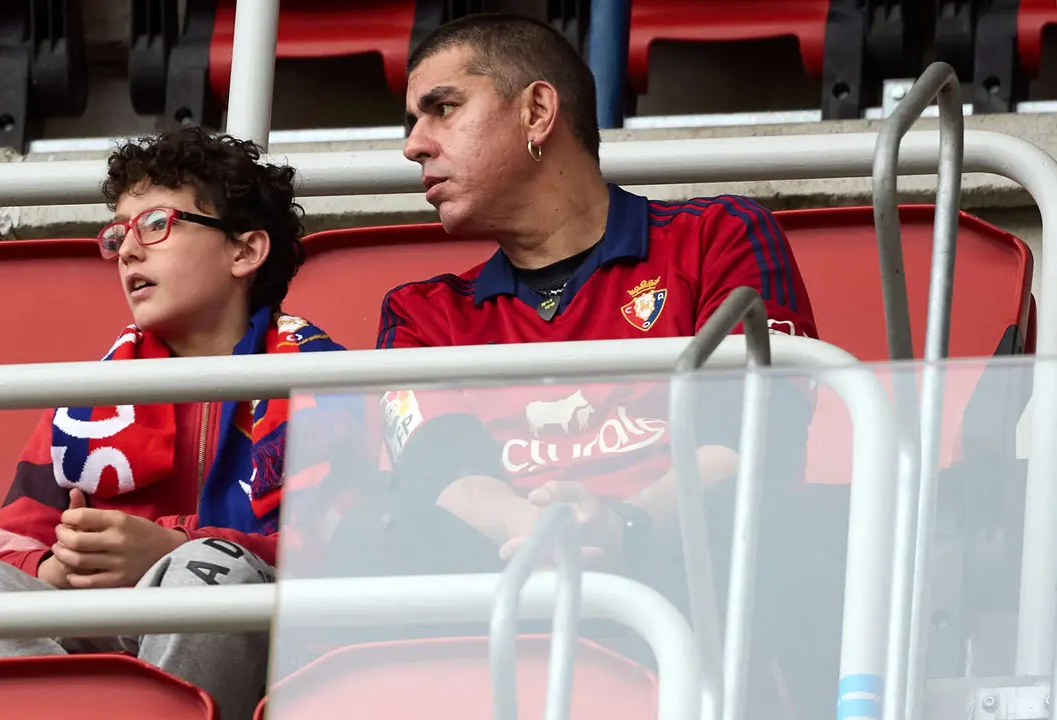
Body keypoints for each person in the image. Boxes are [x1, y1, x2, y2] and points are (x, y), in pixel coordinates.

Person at [349, 14, 823, 717]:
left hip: (691, 572)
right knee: (362, 537)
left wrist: (624, 528)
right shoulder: (423, 313)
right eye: (414, 121)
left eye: (442, 108)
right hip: (497, 587)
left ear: (538, 111)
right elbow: (439, 470)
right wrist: (550, 541)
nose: (414, 145)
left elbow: (755, 432)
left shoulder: (716, 238)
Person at [0, 127, 352, 720]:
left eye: (157, 225)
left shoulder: (334, 385)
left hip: (274, 657)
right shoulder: (90, 398)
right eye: (119, 234)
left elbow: (350, 555)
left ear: (244, 251)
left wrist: (172, 548)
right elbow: (12, 545)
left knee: (206, 576)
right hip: (101, 635)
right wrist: (52, 567)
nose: (129, 252)